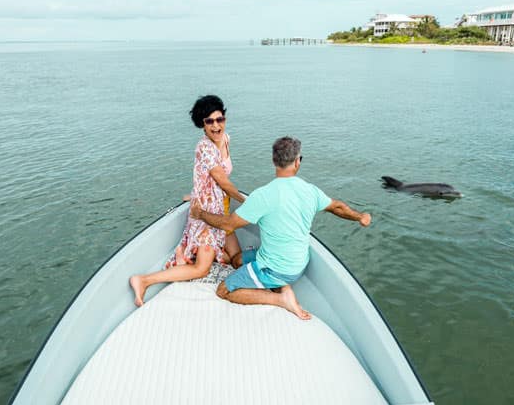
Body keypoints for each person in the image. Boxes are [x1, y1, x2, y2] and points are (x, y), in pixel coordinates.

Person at [190, 136, 371, 320]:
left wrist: (201, 214)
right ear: (297, 161)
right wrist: (360, 216)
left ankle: (281, 299)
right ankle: (283, 286)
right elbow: (337, 207)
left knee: (223, 290)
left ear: (273, 161)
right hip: (299, 263)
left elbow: (228, 224)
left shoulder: (263, 196)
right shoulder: (311, 191)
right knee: (237, 260)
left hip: (275, 268)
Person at [129, 95, 245, 306]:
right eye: (210, 121)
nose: (216, 125)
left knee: (235, 258)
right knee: (202, 268)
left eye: (220, 119)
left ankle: (190, 257)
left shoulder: (225, 139)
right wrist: (246, 200)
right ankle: (144, 280)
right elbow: (222, 180)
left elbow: (210, 177)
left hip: (221, 209)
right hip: (207, 216)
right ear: (202, 124)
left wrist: (196, 192)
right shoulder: (205, 148)